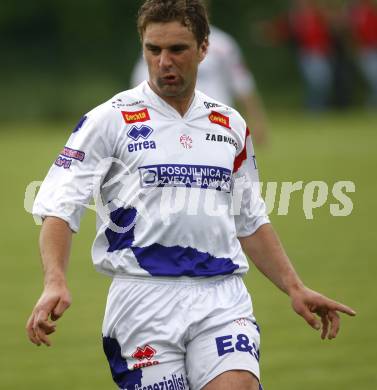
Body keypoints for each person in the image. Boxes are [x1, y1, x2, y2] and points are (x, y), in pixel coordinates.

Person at [26, 1, 356, 390]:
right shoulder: (108, 120)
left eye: (177, 49)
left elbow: (248, 219)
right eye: (153, 49)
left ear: (203, 48)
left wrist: (295, 287)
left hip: (221, 297)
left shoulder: (230, 124)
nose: (164, 61)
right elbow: (60, 207)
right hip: (143, 300)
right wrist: (55, 280)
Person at [131, 3, 268, 145]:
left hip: (216, 123)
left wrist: (256, 121)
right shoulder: (161, 44)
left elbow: (242, 84)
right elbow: (142, 85)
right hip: (172, 122)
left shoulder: (223, 45)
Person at [348, 0, 377, 107]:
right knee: (373, 78)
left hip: (372, 49)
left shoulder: (369, 11)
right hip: (365, 50)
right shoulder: (355, 14)